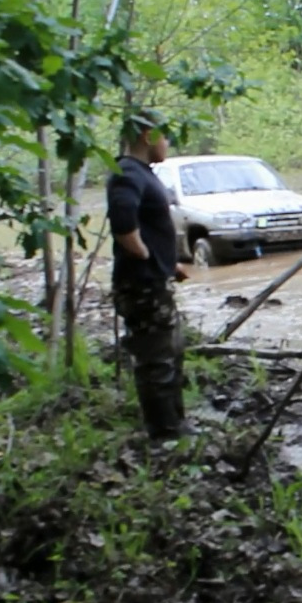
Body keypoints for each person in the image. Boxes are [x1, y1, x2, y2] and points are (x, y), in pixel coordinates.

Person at [107, 111, 194, 440]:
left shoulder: (141, 173)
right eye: (165, 136)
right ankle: (165, 435)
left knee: (171, 351)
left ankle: (176, 424)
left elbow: (146, 227)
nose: (167, 144)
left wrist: (168, 264)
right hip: (141, 286)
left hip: (153, 281)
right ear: (148, 135)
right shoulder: (127, 173)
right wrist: (145, 256)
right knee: (156, 360)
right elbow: (123, 221)